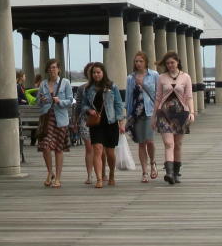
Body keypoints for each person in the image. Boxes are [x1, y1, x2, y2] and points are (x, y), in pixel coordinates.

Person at [80, 62, 125, 189]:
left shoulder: (112, 86)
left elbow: (118, 104)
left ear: (103, 73)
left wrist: (121, 122)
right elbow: (84, 105)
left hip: (110, 122)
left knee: (110, 152)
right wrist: (89, 110)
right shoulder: (88, 88)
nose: (96, 75)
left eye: (98, 72)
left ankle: (111, 173)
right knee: (97, 149)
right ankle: (99, 178)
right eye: (94, 73)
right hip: (96, 122)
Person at [152, 51, 194, 185]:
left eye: (172, 63)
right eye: (168, 63)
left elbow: (189, 96)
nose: (170, 65)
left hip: (181, 112)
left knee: (178, 144)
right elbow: (158, 97)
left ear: (178, 62)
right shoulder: (161, 77)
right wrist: (154, 116)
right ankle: (169, 173)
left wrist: (192, 112)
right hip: (164, 113)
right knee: (168, 143)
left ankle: (176, 172)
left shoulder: (186, 77)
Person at [37, 58, 74, 189]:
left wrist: (60, 101)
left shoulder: (65, 83)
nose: (52, 70)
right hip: (47, 118)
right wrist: (42, 100)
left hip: (60, 118)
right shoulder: (43, 84)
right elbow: (38, 102)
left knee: (58, 148)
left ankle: (58, 178)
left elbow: (70, 100)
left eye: (54, 67)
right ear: (47, 70)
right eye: (50, 68)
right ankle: (50, 172)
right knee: (45, 146)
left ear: (59, 69)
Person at [126, 52, 159, 183]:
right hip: (137, 112)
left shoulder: (154, 75)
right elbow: (129, 97)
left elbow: (157, 94)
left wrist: (143, 84)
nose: (138, 64)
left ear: (145, 62)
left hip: (150, 111)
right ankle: (144, 171)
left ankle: (153, 163)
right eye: (136, 61)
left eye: (140, 61)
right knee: (141, 143)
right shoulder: (130, 78)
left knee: (149, 141)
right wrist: (127, 116)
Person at [71, 62, 96, 184]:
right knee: (89, 147)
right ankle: (90, 174)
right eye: (89, 72)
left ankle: (102, 172)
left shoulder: (103, 87)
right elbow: (78, 105)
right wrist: (75, 121)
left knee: (100, 148)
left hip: (100, 120)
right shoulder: (82, 88)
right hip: (85, 120)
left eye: (94, 71)